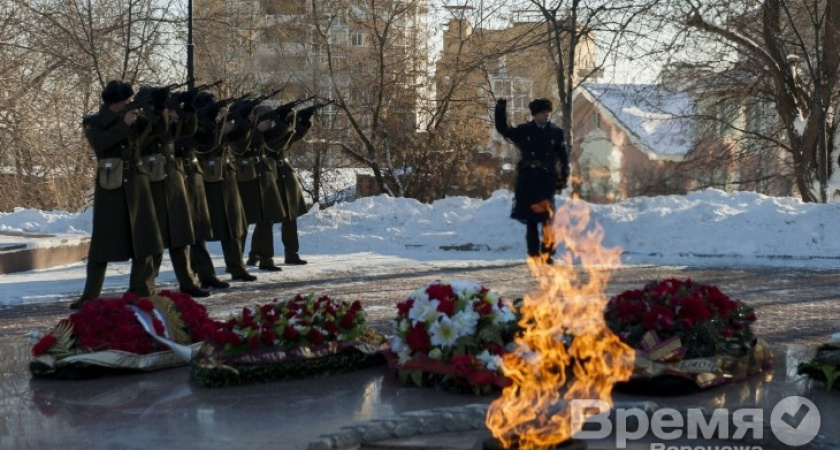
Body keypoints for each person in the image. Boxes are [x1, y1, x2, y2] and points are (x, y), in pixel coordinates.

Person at [70, 80, 166, 309]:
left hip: (137, 182)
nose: (128, 103)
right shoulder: (93, 122)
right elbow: (101, 144)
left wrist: (158, 109)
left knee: (144, 238)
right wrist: (124, 124)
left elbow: (160, 132)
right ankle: (90, 296)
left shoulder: (133, 118)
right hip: (111, 188)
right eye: (125, 101)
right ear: (113, 103)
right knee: (102, 244)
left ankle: (142, 290)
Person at [137, 85, 210, 298]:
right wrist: (160, 112)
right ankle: (144, 283)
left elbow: (187, 131)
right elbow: (149, 136)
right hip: (151, 181)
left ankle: (187, 281)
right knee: (153, 238)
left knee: (179, 236)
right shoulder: (143, 120)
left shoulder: (165, 118)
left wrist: (189, 110)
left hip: (173, 180)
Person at [494, 97, 569, 263]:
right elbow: (503, 129)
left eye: (548, 113)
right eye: (543, 113)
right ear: (535, 114)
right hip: (528, 180)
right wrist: (500, 109)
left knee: (548, 219)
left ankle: (547, 254)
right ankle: (534, 254)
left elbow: (563, 158)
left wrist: (563, 176)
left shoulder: (556, 133)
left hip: (546, 179)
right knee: (531, 220)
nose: (546, 116)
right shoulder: (525, 131)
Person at [195, 96, 257, 283]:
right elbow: (205, 146)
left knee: (231, 226)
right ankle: (201, 271)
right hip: (206, 178)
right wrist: (221, 129)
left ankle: (236, 267)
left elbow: (240, 142)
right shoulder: (197, 125)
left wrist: (244, 121)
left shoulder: (217, 123)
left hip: (224, 176)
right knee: (202, 229)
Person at [175, 91, 230, 290]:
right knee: (177, 233)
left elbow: (210, 142)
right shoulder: (185, 121)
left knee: (198, 230)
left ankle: (206, 275)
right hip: (178, 175)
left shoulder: (200, 121)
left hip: (193, 174)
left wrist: (216, 121)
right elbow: (191, 139)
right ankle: (142, 283)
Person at [230, 105, 286, 272]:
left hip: (263, 175)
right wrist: (257, 130)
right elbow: (240, 147)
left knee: (266, 219)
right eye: (251, 114)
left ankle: (266, 259)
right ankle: (235, 260)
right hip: (246, 177)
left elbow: (279, 135)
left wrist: (279, 119)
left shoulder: (260, 131)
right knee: (242, 222)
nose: (254, 118)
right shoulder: (239, 130)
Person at [267, 108, 315, 265]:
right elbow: (275, 141)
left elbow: (292, 137)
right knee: (265, 219)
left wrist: (302, 122)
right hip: (269, 172)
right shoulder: (265, 132)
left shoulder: (279, 129)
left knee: (290, 214)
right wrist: (284, 123)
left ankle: (291, 252)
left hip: (283, 172)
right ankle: (258, 255)